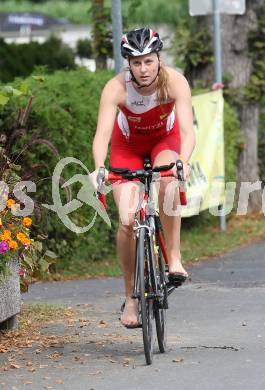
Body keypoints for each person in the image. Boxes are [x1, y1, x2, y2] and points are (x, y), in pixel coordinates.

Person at [91, 27, 195, 328]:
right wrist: (99, 166)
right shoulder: (116, 88)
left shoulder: (174, 82)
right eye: (136, 63)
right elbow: (101, 137)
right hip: (128, 147)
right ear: (129, 64)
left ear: (158, 58)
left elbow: (188, 132)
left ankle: (174, 257)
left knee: (168, 182)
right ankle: (132, 297)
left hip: (165, 141)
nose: (143, 69)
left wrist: (183, 162)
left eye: (149, 61)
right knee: (127, 220)